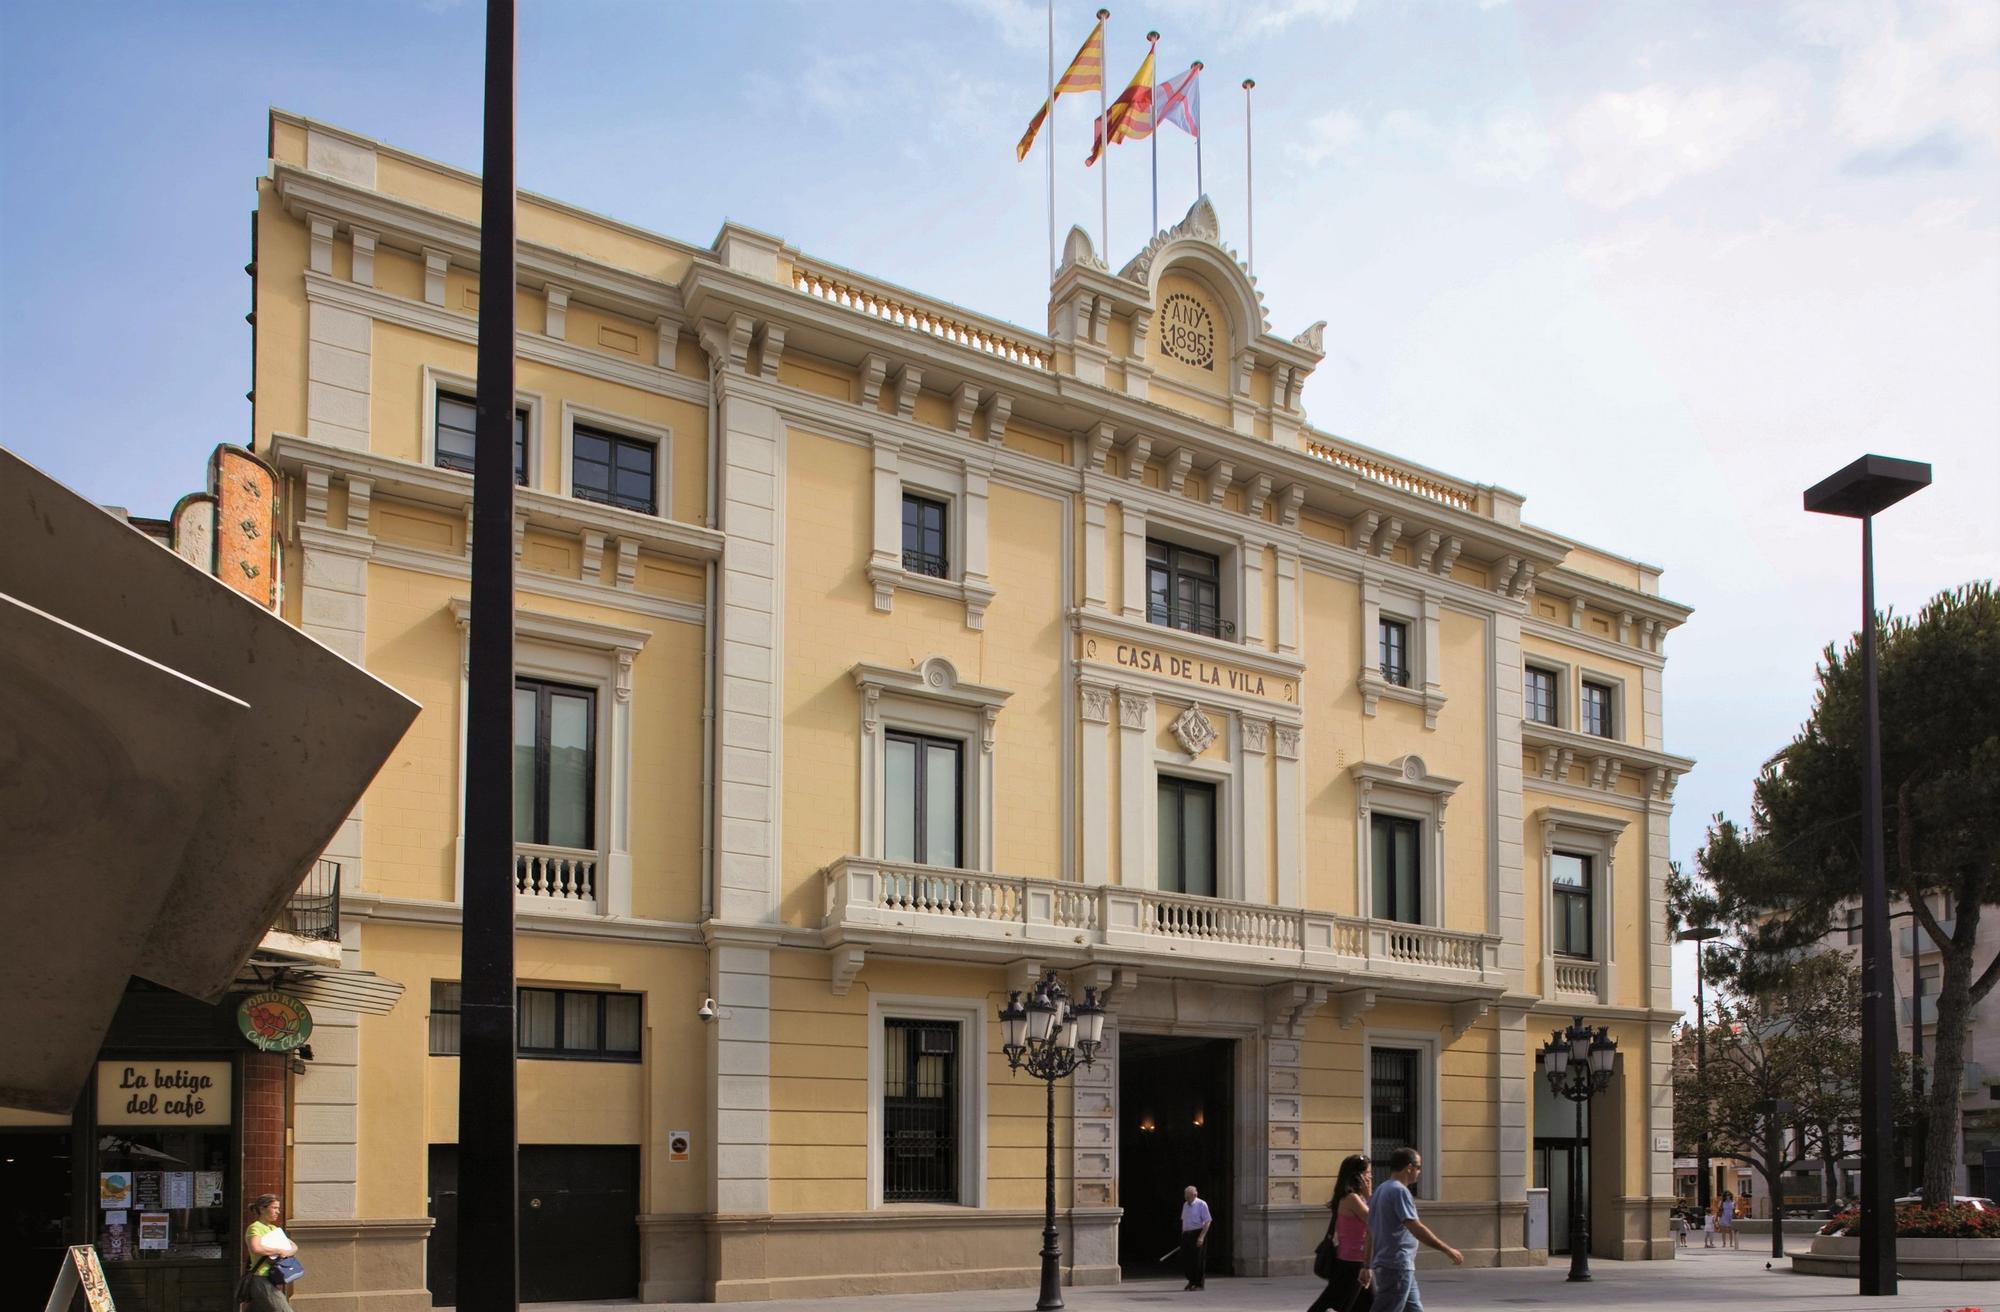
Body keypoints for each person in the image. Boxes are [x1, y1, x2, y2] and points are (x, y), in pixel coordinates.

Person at [1363, 1148, 1462, 1312]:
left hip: (1394, 1264)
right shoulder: (1399, 1191)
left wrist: (1366, 1265)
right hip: (1396, 1265)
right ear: (1409, 1167)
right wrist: (1447, 1249)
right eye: (1418, 1167)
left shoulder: (1381, 1189)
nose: (1419, 1172)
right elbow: (1415, 1227)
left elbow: (1370, 1231)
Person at [1307, 1153, 1373, 1312]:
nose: (1371, 1176)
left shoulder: (1354, 1197)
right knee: (1327, 1303)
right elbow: (1375, 1220)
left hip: (1355, 1259)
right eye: (1368, 1172)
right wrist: (1370, 1195)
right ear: (1358, 1176)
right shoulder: (1352, 1199)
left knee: (1366, 1304)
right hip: (1352, 1261)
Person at [243, 1193, 299, 1311]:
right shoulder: (255, 1227)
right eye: (274, 1208)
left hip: (273, 1277)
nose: (278, 1212)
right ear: (262, 1209)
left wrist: (286, 1252)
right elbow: (256, 1248)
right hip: (262, 1277)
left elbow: (294, 1246)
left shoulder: (273, 1229)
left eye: (278, 1208)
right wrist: (279, 1250)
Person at [1179, 1184, 1212, 1292]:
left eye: (1187, 1195)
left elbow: (1208, 1221)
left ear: (1194, 1195)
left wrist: (1201, 1237)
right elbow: (1184, 1220)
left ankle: (1199, 1284)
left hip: (1198, 1233)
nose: (1186, 1197)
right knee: (1187, 1260)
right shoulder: (1185, 1205)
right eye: (1185, 1195)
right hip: (1187, 1234)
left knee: (1198, 1260)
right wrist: (1183, 1233)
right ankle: (1191, 1281)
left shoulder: (1201, 1204)